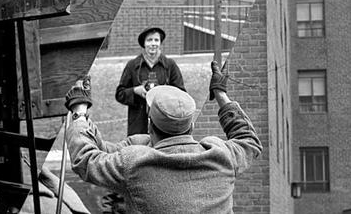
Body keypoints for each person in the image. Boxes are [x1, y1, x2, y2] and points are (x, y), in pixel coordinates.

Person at [64, 61, 262, 213]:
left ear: (150, 126)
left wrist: (79, 112)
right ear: (191, 126)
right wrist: (221, 94)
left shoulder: (134, 164)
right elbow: (248, 141)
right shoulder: (223, 156)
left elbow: (87, 159)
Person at [115, 27, 186, 136]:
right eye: (149, 40)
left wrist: (164, 94)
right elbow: (120, 94)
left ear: (160, 43)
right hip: (138, 125)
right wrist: (135, 91)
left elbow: (181, 93)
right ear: (144, 43)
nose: (153, 44)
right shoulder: (132, 65)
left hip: (164, 125)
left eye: (156, 40)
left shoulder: (170, 65)